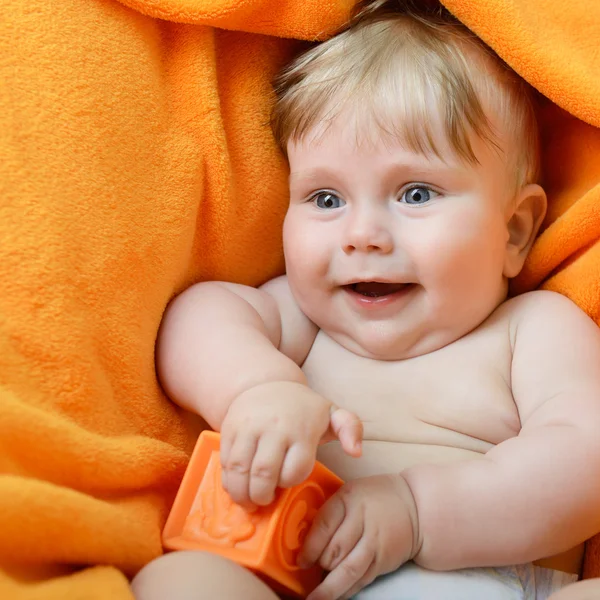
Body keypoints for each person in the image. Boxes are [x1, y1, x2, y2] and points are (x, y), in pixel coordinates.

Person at [132, 1, 600, 598]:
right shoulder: (303, 320)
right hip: (301, 579)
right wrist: (256, 388)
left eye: (414, 192)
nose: (362, 235)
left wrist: (416, 512)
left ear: (513, 231)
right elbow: (193, 318)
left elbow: (585, 464)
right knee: (181, 580)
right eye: (326, 199)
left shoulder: (534, 329)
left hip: (494, 578)